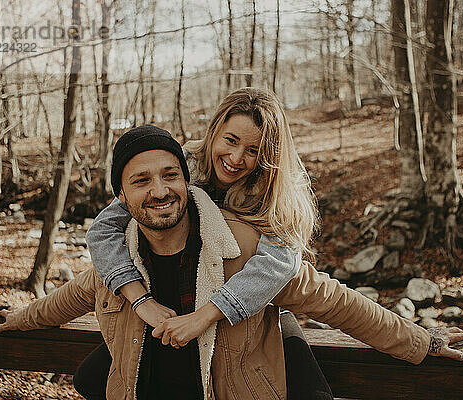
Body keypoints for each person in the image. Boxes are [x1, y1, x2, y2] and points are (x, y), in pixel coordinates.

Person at [0, 127, 463, 400]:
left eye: (169, 176)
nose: (159, 191)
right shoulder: (116, 257)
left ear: (190, 182)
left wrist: (421, 339)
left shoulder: (247, 252)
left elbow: (333, 299)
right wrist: (17, 319)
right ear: (122, 197)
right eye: (141, 181)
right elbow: (67, 298)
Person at [81, 88, 330, 399]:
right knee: (96, 378)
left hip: (251, 311)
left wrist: (206, 315)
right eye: (231, 140)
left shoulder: (275, 194)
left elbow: (280, 266)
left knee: (309, 390)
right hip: (172, 300)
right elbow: (103, 230)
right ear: (215, 132)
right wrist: (140, 299)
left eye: (253, 150)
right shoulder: (182, 169)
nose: (237, 158)